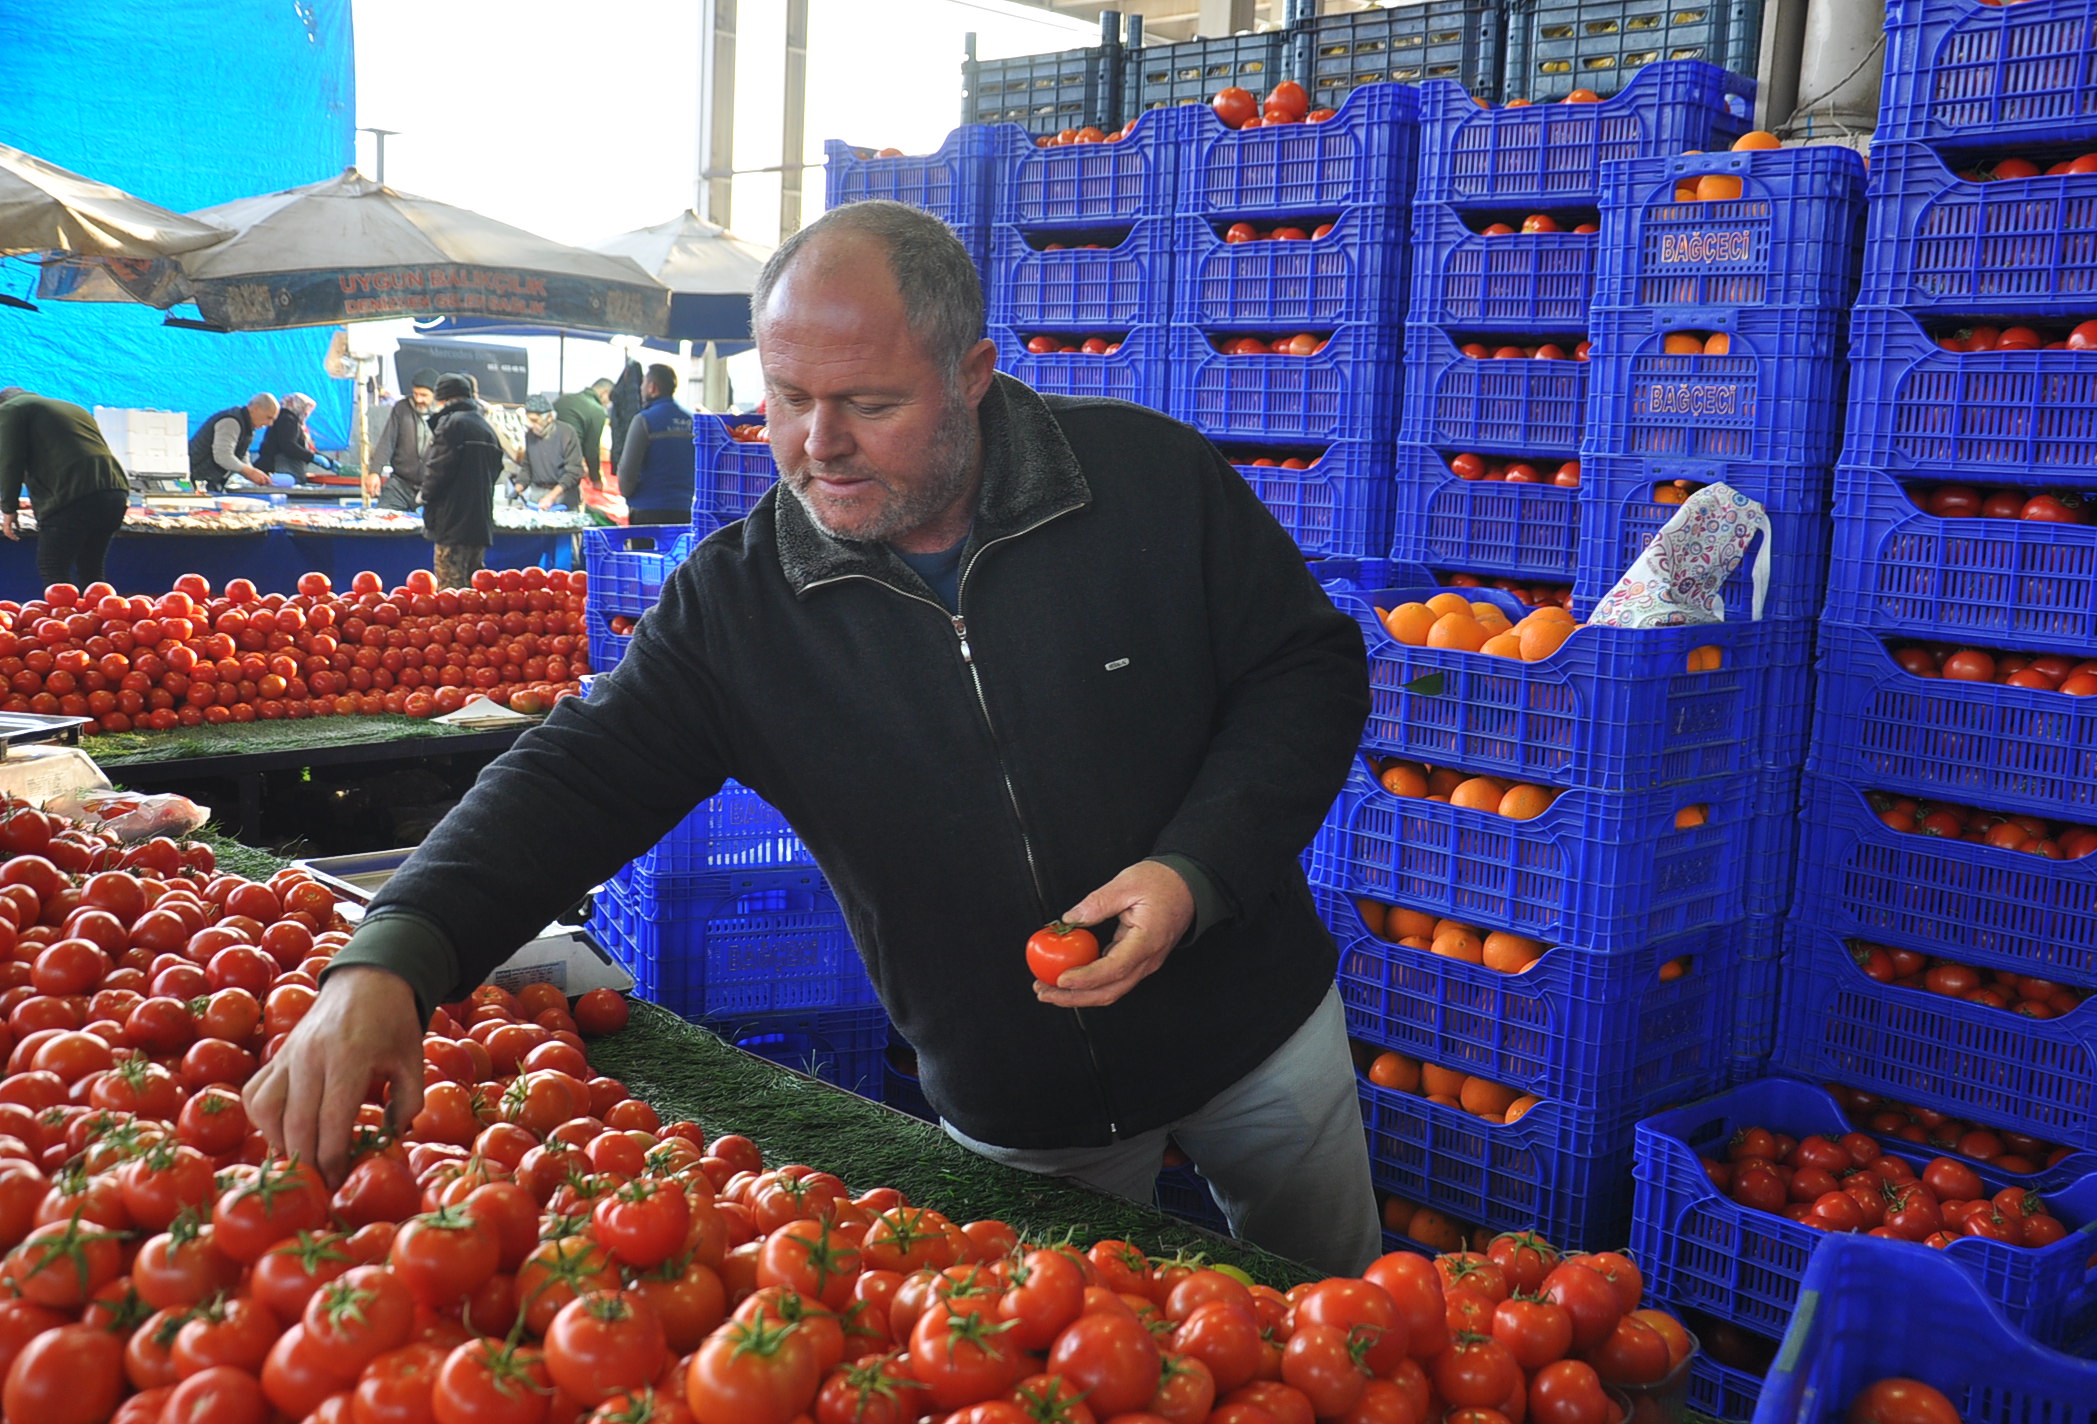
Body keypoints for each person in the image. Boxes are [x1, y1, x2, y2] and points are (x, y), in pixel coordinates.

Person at [242, 200, 1380, 1274]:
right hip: (1019, 1098)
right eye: (786, 398)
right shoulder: (742, 605)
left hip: (1258, 1029)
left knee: (1354, 1330)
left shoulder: (1143, 481)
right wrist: (394, 955)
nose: (817, 444)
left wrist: (1196, 869)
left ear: (970, 377)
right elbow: (575, 772)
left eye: (870, 404)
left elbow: (1305, 668)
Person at [0, 387, 131, 585]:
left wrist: (9, 508)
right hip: (115, 490)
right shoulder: (71, 407)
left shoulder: (11, 409)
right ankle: (103, 614)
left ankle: (61, 615)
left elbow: (10, 461)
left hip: (72, 493)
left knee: (52, 566)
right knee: (91, 569)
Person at [418, 373, 502, 589]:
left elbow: (437, 471)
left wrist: (424, 496)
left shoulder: (451, 425)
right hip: (480, 524)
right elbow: (495, 471)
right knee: (474, 590)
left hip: (452, 523)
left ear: (443, 400)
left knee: (451, 592)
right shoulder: (486, 428)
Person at [611, 363, 694, 524]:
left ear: (652, 388)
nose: (641, 388)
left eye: (643, 383)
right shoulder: (692, 420)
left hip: (647, 511)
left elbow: (628, 471)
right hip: (685, 511)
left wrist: (627, 493)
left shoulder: (644, 420)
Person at [365, 367, 436, 510]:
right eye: (415, 393)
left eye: (424, 395)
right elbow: (387, 442)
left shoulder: (446, 415)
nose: (418, 399)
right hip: (400, 485)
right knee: (383, 521)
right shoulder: (402, 408)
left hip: (434, 488)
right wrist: (374, 472)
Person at [186, 391, 278, 490]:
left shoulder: (247, 425)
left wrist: (253, 473)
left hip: (209, 480)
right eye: (269, 417)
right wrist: (249, 472)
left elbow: (242, 453)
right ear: (255, 408)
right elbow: (222, 456)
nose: (270, 424)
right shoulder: (231, 421)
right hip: (197, 479)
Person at [510, 395, 584, 511]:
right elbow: (527, 467)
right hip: (537, 495)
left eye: (534, 420)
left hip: (562, 496)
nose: (530, 424)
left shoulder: (567, 433)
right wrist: (518, 488)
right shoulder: (530, 435)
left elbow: (574, 473)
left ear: (549, 417)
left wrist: (551, 496)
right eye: (529, 420)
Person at [257, 393, 338, 483]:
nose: (307, 413)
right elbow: (288, 446)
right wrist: (312, 457)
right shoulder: (287, 420)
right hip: (277, 470)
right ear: (299, 406)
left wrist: (330, 462)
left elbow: (305, 449)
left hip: (285, 470)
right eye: (306, 409)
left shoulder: (295, 422)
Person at [550, 377, 611, 493]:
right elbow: (592, 450)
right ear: (604, 393)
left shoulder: (563, 399)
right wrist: (596, 479)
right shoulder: (597, 410)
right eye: (609, 399)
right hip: (566, 468)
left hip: (543, 461)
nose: (608, 404)